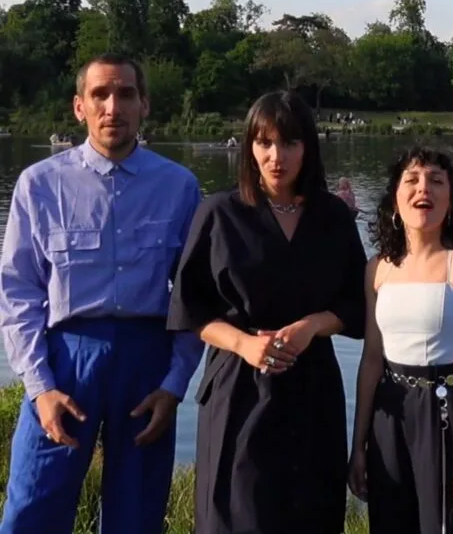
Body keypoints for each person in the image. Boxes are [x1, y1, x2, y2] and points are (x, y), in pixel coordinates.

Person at [0, 53, 204, 534]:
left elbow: (196, 297)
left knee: (136, 514)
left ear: (145, 105)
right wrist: (40, 386)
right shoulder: (40, 185)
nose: (114, 106)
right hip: (65, 361)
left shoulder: (179, 187)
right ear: (79, 107)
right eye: (100, 95)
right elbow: (18, 293)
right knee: (32, 508)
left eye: (126, 94)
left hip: (146, 363)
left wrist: (175, 384)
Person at [166, 90, 367, 534]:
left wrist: (316, 324)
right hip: (238, 387)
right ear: (250, 147)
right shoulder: (219, 212)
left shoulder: (332, 216)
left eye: (290, 143)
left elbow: (358, 304)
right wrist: (244, 344)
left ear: (308, 148)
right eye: (265, 143)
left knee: (312, 513)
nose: (277, 156)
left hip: (312, 386)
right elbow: (189, 306)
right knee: (238, 513)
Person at [347, 146, 453, 534]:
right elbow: (370, 361)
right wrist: (358, 447)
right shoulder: (378, 269)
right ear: (395, 200)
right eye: (412, 180)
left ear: (450, 199)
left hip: (451, 415)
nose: (424, 190)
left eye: (436, 181)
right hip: (390, 416)